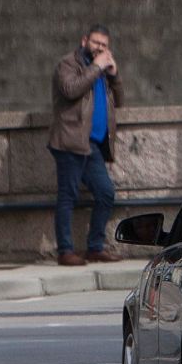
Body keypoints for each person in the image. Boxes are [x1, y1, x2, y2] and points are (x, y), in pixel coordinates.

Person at [48, 25, 126, 266]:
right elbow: (71, 90)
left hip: (93, 145)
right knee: (67, 195)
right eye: (96, 43)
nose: (100, 48)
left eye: (104, 45)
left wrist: (114, 74)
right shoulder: (68, 64)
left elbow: (120, 100)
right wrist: (97, 67)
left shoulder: (101, 71)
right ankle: (65, 251)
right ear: (84, 41)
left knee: (105, 193)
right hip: (70, 141)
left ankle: (95, 247)